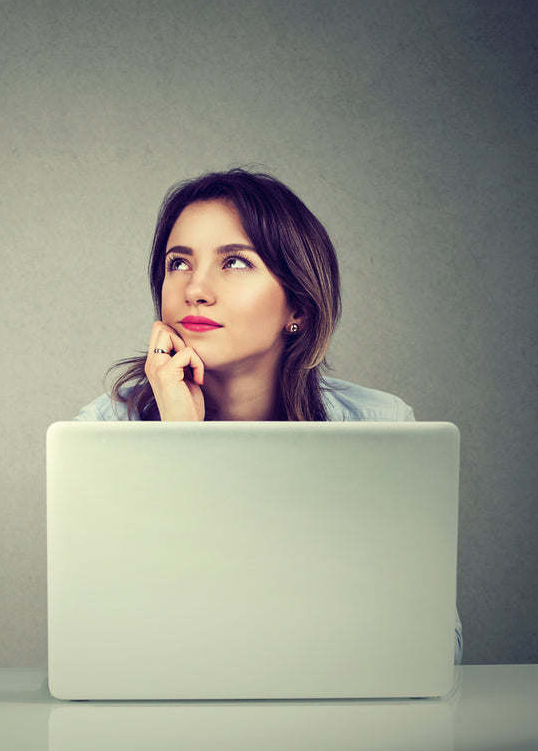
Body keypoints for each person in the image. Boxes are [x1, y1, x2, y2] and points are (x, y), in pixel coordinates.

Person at [75, 168, 462, 663]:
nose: (195, 289)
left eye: (234, 262)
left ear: (296, 305)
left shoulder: (379, 426)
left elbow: (436, 649)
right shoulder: (102, 432)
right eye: (178, 263)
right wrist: (180, 446)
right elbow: (109, 643)